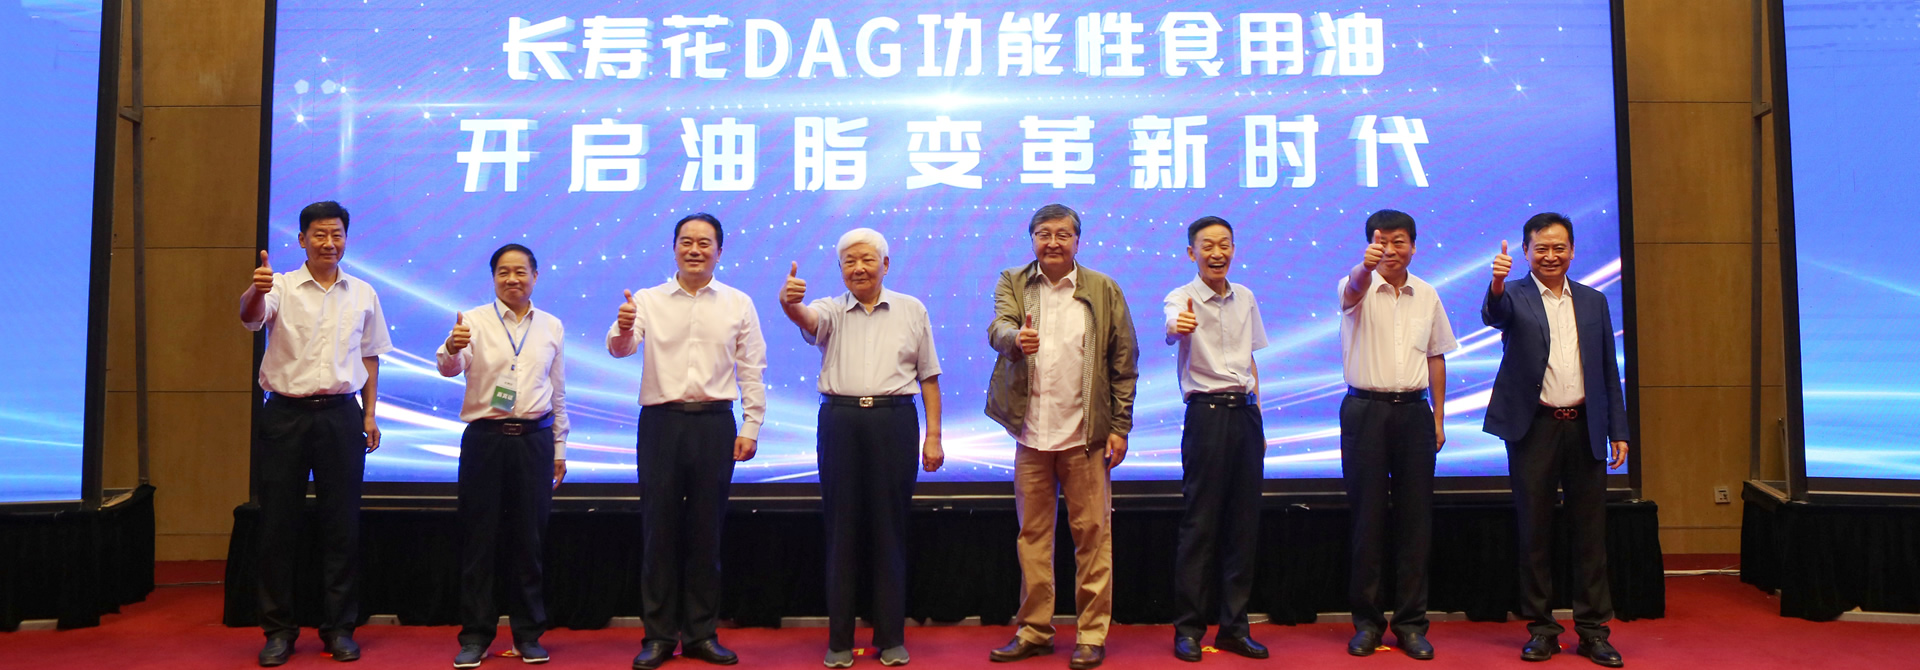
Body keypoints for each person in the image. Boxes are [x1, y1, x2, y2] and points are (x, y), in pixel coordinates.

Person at [777, 228, 945, 669]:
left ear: (885, 265)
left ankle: (890, 638)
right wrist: (790, 304)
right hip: (841, 422)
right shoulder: (831, 309)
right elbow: (806, 319)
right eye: (849, 261)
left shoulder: (912, 309)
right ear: (840, 269)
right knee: (842, 531)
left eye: (867, 259)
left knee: (890, 530)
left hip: (895, 421)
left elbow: (929, 377)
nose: (859, 268)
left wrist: (933, 436)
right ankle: (839, 641)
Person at [610, 213, 767, 670]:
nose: (694, 249)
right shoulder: (647, 299)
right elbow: (620, 349)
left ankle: (701, 634)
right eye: (686, 241)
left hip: (715, 424)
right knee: (658, 531)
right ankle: (659, 637)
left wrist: (751, 424)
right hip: (660, 424)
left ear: (719, 251)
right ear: (674, 247)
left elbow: (752, 366)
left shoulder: (738, 302)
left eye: (704, 242)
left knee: (706, 532)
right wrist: (624, 327)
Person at [984, 203, 1138, 670]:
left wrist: (1120, 427)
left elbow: (1123, 362)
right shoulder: (1014, 281)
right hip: (1031, 434)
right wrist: (1015, 340)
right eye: (1043, 234)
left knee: (1092, 538)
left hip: (1085, 437)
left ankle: (1091, 635)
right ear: (1032, 239)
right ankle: (1034, 630)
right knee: (1032, 537)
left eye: (1062, 234)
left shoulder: (1103, 288)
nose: (1053, 242)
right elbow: (999, 326)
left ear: (1077, 240)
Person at [240, 200, 392, 667]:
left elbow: (370, 356)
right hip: (286, 414)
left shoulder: (363, 292)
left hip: (341, 416)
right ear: (302, 239)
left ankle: (339, 628)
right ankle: (278, 630)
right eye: (320, 235)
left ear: (346, 238)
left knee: (341, 526)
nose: (329, 243)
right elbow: (250, 317)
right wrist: (255, 289)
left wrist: (369, 414)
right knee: (277, 526)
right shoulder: (280, 286)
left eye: (337, 234)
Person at [1482, 213, 1629, 668]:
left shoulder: (1593, 300)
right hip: (1535, 429)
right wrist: (1497, 284)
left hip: (1585, 425)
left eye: (1559, 247)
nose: (1550, 256)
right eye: (1541, 248)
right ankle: (1542, 629)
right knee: (1535, 533)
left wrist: (1619, 430)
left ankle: (1593, 631)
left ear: (1572, 251)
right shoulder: (1514, 294)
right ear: (1526, 252)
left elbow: (1607, 369)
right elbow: (1494, 315)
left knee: (1590, 536)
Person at [437, 244, 568, 668]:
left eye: (521, 271)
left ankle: (528, 635)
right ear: (493, 277)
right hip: (486, 440)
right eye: (504, 272)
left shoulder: (551, 326)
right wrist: (452, 347)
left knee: (529, 540)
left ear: (535, 276)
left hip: (535, 440)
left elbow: (558, 392)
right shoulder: (472, 321)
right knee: (480, 540)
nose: (513, 279)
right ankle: (476, 636)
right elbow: (449, 368)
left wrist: (560, 448)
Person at [1336, 209, 1456, 661]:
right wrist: (1364, 268)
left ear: (1413, 246)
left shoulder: (1427, 294)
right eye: (1380, 241)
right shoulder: (1356, 285)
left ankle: (1410, 624)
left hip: (1414, 414)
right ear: (1369, 245)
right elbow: (1352, 289)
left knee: (1414, 522)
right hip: (1365, 411)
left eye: (1398, 241)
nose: (1390, 249)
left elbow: (1436, 356)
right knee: (1367, 520)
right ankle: (1367, 624)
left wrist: (1438, 418)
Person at [1164, 216, 1271, 663]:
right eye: (1207, 245)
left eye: (1224, 244)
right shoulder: (1181, 297)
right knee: (1201, 525)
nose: (1217, 253)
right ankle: (1189, 629)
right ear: (1192, 253)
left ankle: (1234, 628)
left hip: (1245, 414)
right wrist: (1179, 325)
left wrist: (1258, 415)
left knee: (1243, 526)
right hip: (1206, 416)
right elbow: (1173, 326)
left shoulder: (1245, 296)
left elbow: (1249, 360)